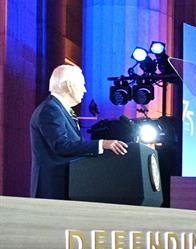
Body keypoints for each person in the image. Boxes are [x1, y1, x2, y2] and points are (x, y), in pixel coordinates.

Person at [30, 64, 128, 199]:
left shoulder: (59, 109)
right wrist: (102, 144)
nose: (85, 90)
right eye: (82, 84)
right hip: (53, 189)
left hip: (67, 186)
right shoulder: (50, 109)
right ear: (69, 85)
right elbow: (61, 146)